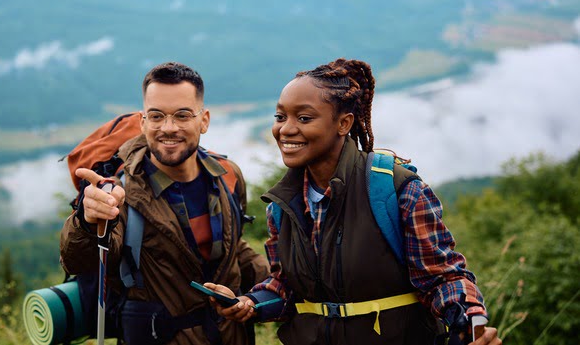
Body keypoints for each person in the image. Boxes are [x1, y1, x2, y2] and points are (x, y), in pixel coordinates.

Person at [205, 58, 502, 345]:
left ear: (344, 123)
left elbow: (442, 279)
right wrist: (249, 302)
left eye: (304, 118)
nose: (286, 129)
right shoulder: (282, 208)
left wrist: (470, 322)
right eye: (280, 117)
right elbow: (286, 289)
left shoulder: (397, 192)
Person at [59, 61, 270, 345]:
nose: (168, 128)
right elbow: (81, 261)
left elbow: (233, 250)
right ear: (143, 121)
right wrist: (86, 221)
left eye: (182, 116)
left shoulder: (227, 175)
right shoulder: (120, 191)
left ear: (204, 120)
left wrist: (269, 291)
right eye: (157, 116)